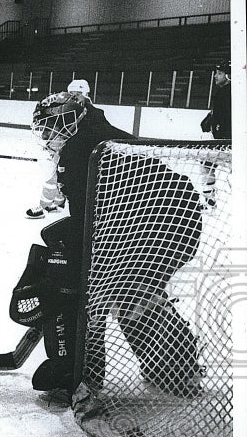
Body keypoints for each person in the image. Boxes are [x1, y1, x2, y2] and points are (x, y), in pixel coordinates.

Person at [11, 90, 203, 398]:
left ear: (70, 120)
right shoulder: (88, 140)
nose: (46, 134)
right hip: (145, 224)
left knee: (126, 296)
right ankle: (167, 369)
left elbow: (103, 212)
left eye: (50, 126)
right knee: (122, 296)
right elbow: (91, 212)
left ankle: (96, 374)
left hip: (165, 225)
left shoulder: (88, 146)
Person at [24, 78, 90, 219]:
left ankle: (44, 207)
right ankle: (58, 203)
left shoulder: (86, 109)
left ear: (84, 92)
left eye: (77, 92)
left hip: (73, 149)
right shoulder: (68, 106)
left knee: (54, 177)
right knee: (57, 175)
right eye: (71, 92)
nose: (73, 95)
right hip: (63, 146)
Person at [200, 61, 231, 141]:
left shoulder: (226, 92)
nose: (215, 76)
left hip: (225, 136)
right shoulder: (222, 91)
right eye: (216, 73)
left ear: (228, 76)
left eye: (220, 73)